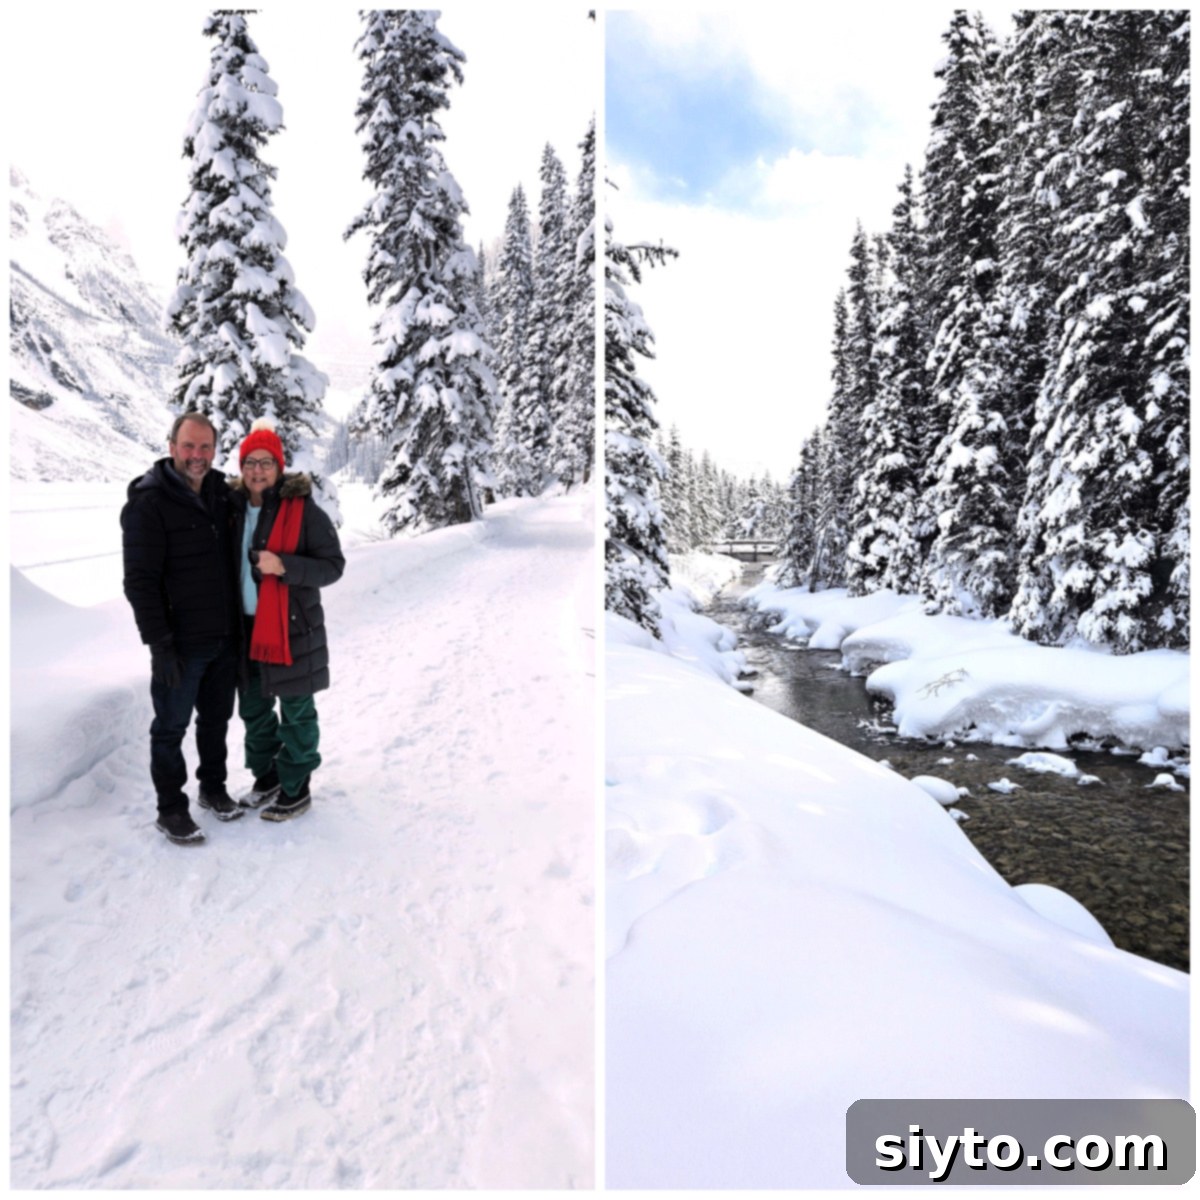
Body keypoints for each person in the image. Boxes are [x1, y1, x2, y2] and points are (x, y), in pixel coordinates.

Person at [121, 412, 244, 844]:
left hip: (224, 637)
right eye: (189, 446)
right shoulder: (148, 503)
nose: (197, 455)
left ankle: (212, 788)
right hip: (180, 644)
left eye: (205, 447)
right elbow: (139, 582)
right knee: (170, 728)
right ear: (172, 446)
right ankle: (171, 808)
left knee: (216, 720)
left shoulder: (221, 494)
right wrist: (159, 644)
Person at [230, 417, 344, 820]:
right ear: (241, 468)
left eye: (266, 462)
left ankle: (296, 786)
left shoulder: (303, 510)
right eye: (250, 462)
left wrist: (286, 567)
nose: (257, 470)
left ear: (279, 468)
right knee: (255, 710)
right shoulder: (232, 509)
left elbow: (333, 566)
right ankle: (267, 777)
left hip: (291, 628)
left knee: (296, 709)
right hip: (244, 630)